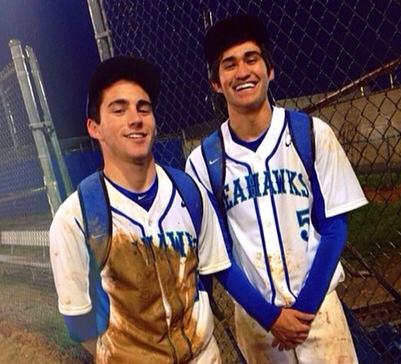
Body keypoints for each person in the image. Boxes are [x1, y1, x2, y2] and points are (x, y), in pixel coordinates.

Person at [49, 56, 309, 364]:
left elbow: (209, 278)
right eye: (119, 110)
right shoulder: (75, 218)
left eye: (143, 108)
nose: (135, 118)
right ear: (94, 127)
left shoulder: (189, 192)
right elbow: (78, 322)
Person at [186, 14, 368, 363]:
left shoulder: (313, 135)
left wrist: (303, 312)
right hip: (257, 323)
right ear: (215, 82)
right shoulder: (202, 162)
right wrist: (271, 317)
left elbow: (334, 226)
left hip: (319, 314)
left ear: (270, 70)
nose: (242, 72)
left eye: (252, 59)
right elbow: (217, 255)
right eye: (229, 64)